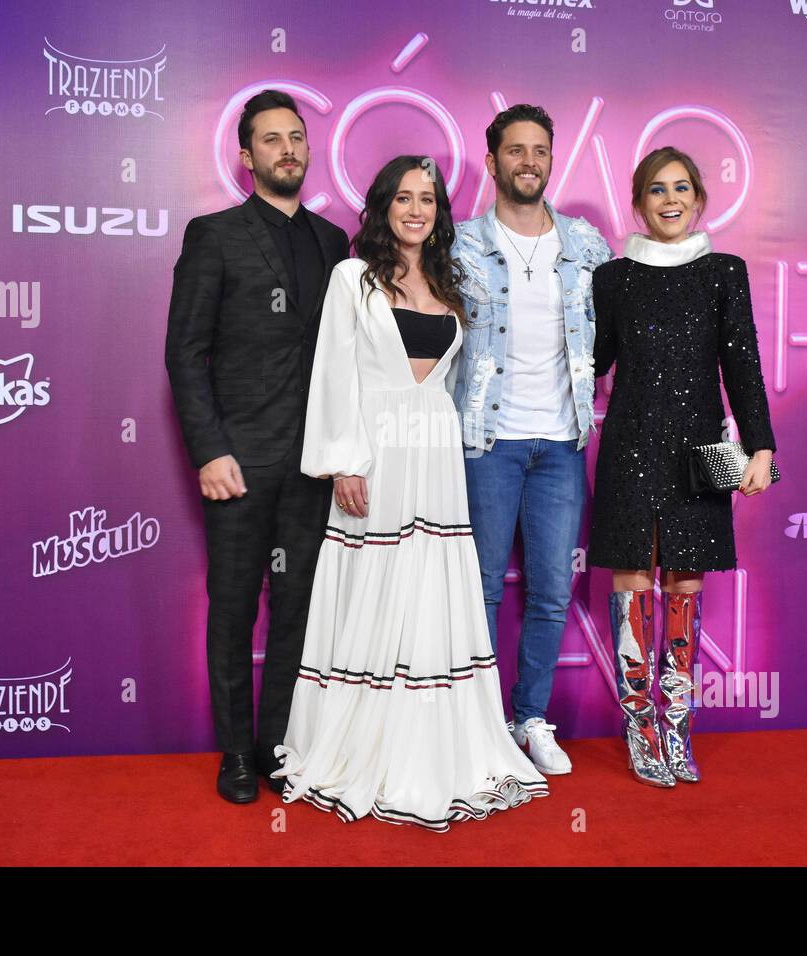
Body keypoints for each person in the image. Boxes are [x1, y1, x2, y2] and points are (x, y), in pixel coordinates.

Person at [272, 155, 547, 831]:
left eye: (428, 199)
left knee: (433, 591)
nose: (416, 209)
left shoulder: (453, 282)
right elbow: (334, 373)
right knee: (374, 587)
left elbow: (456, 386)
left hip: (436, 454)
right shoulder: (351, 278)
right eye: (404, 198)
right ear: (382, 207)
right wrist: (345, 461)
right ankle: (367, 744)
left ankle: (436, 747)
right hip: (377, 453)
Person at [164, 90, 350, 804]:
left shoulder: (334, 244)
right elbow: (186, 353)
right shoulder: (213, 235)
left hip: (313, 465)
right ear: (246, 158)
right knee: (235, 607)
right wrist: (210, 450)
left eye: (297, 137)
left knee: (299, 609)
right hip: (237, 464)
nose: (288, 150)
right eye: (271, 140)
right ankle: (236, 753)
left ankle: (278, 748)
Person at [590, 146, 776, 787]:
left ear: (698, 199)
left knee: (686, 583)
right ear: (638, 204)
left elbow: (742, 365)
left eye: (681, 189)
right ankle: (639, 729)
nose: (669, 199)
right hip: (630, 445)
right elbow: (592, 361)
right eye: (655, 190)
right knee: (633, 578)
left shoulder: (724, 271)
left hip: (701, 448)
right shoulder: (613, 278)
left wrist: (761, 448)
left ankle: (676, 728)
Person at [450, 105, 612, 775]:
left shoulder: (587, 244)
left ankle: (531, 719)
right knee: (481, 588)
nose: (528, 161)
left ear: (551, 158)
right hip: (486, 443)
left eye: (539, 150)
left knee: (550, 590)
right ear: (492, 162)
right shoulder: (456, 245)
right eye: (514, 150)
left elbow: (615, 338)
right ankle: (483, 724)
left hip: (562, 445)